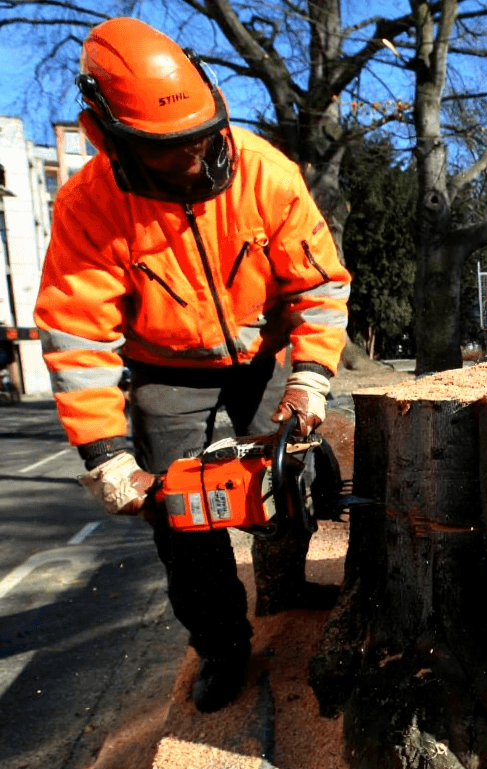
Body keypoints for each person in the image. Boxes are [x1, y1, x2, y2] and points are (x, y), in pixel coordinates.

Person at [34, 18, 351, 713]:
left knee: (291, 471)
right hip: (166, 371)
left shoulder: (265, 172)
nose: (196, 158)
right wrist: (109, 458)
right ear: (110, 135)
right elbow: (76, 334)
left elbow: (319, 287)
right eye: (171, 149)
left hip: (262, 357)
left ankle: (285, 580)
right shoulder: (90, 206)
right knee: (185, 518)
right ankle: (221, 644)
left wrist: (310, 377)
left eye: (203, 138)